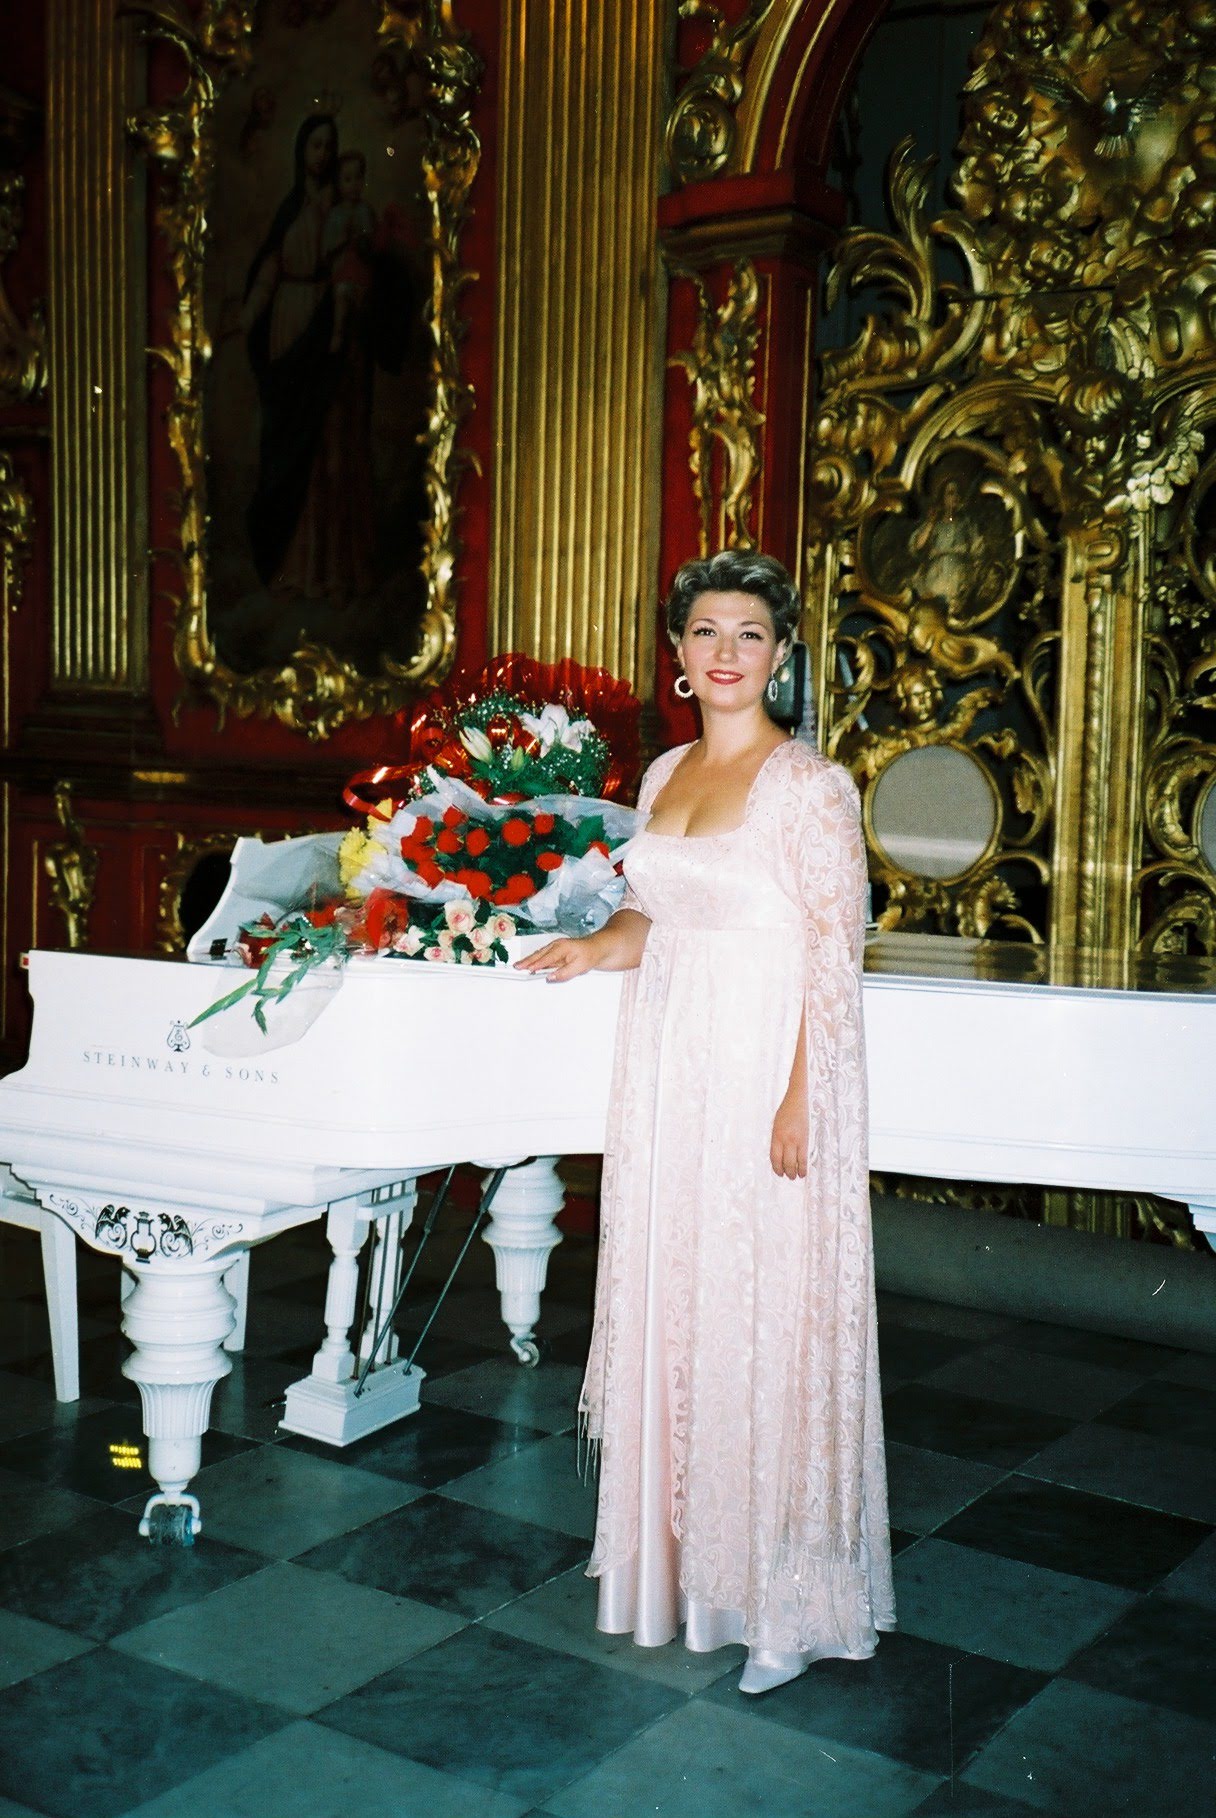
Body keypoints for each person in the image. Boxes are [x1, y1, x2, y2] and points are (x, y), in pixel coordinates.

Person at [518, 549, 895, 1695]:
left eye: (749, 633)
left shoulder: (810, 787)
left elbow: (833, 961)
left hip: (763, 1072)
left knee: (767, 1319)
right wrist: (595, 947)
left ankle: (786, 1603)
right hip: (670, 1075)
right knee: (683, 1307)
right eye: (705, 631)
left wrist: (802, 1098)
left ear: (780, 655)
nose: (725, 652)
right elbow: (655, 912)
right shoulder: (665, 772)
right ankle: (692, 1578)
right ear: (677, 653)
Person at [323, 150, 377, 354]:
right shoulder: (335, 214)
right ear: (338, 184)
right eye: (347, 179)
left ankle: (359, 336)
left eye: (358, 178)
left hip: (361, 266)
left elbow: (371, 241)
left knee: (361, 303)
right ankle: (337, 332)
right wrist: (343, 238)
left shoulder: (365, 211)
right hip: (343, 267)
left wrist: (364, 238)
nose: (354, 184)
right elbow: (329, 247)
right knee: (342, 293)